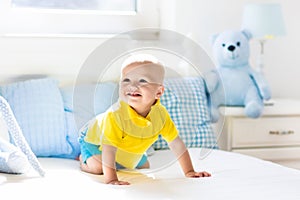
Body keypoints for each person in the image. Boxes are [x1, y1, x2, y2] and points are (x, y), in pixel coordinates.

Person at [78, 54, 211, 185]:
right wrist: (112, 179)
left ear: (159, 92)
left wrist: (189, 172)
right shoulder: (115, 115)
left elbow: (176, 143)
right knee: (98, 168)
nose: (132, 85)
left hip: (128, 148)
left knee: (144, 166)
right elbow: (109, 148)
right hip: (96, 142)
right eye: (126, 80)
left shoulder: (160, 115)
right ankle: (83, 158)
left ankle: (124, 160)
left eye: (142, 80)